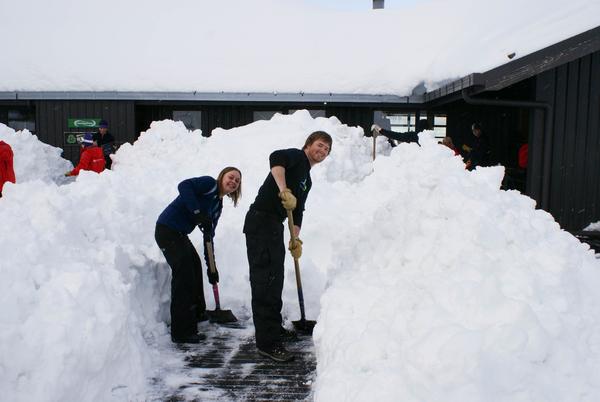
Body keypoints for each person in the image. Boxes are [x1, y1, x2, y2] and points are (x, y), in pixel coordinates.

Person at [244, 131, 332, 362]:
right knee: (265, 283)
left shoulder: (307, 179)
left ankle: (274, 330)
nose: (322, 152)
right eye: (320, 145)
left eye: (326, 150)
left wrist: (295, 238)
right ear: (309, 145)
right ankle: (267, 343)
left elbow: (299, 210)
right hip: (261, 220)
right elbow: (276, 158)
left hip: (275, 225)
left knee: (275, 281)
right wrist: (283, 189)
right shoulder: (296, 157)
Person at [155, 167, 242, 344]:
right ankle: (181, 332)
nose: (233, 182)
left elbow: (208, 237)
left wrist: (212, 267)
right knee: (184, 274)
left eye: (237, 181)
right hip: (167, 229)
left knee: (195, 267)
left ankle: (196, 313)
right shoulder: (209, 184)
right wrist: (197, 213)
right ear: (222, 176)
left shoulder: (217, 206)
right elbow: (184, 186)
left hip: (180, 234)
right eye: (231, 177)